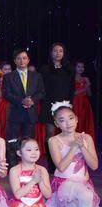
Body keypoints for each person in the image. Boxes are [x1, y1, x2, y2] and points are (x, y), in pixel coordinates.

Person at [46, 102, 100, 207]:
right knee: (86, 194)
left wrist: (82, 147)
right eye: (62, 120)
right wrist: (74, 147)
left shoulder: (86, 138)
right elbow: (61, 167)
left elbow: (94, 165)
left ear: (76, 119)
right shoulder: (54, 141)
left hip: (83, 183)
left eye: (70, 118)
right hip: (64, 184)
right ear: (57, 124)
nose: (68, 123)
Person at [4, 137, 56, 207]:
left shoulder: (42, 170)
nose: (34, 152)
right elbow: (18, 195)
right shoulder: (15, 170)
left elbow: (48, 195)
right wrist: (33, 181)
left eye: (36, 149)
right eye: (29, 150)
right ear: (19, 153)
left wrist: (40, 180)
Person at [2, 49, 45, 166]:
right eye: (19, 58)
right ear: (15, 61)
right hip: (15, 113)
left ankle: (28, 166)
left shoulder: (36, 76)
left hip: (30, 113)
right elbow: (6, 94)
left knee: (29, 141)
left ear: (28, 60)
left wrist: (32, 100)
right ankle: (13, 167)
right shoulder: (8, 77)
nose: (22, 61)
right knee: (12, 141)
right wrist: (22, 100)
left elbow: (41, 92)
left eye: (24, 58)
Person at [39, 43, 74, 172]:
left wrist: (69, 104)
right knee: (50, 134)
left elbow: (72, 89)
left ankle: (65, 162)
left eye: (60, 51)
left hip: (65, 106)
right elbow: (41, 88)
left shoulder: (69, 69)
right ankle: (52, 164)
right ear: (51, 53)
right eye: (55, 51)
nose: (58, 53)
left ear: (64, 53)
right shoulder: (44, 69)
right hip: (49, 105)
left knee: (67, 132)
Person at [73, 61, 95, 138]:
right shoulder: (71, 78)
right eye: (79, 66)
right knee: (76, 123)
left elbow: (89, 94)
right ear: (75, 68)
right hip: (75, 104)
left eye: (82, 67)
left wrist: (87, 84)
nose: (81, 68)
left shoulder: (85, 79)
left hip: (84, 104)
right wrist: (85, 87)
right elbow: (73, 93)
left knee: (84, 123)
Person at [0, 62, 12, 139]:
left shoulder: (15, 80)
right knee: (2, 125)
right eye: (5, 69)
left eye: (9, 69)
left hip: (13, 106)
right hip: (2, 105)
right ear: (1, 71)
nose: (8, 71)